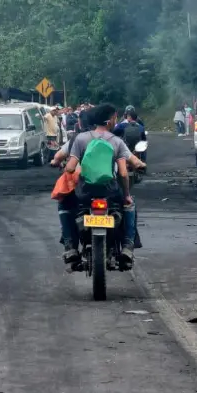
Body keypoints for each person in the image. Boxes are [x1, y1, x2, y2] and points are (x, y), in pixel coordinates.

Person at [50, 103, 143, 271]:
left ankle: (70, 246)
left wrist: (68, 169)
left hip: (84, 193)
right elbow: (123, 174)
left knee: (64, 204)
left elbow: (70, 167)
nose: (116, 121)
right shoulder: (116, 141)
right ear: (110, 120)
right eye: (115, 117)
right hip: (110, 192)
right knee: (130, 205)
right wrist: (126, 194)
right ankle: (128, 247)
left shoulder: (80, 139)